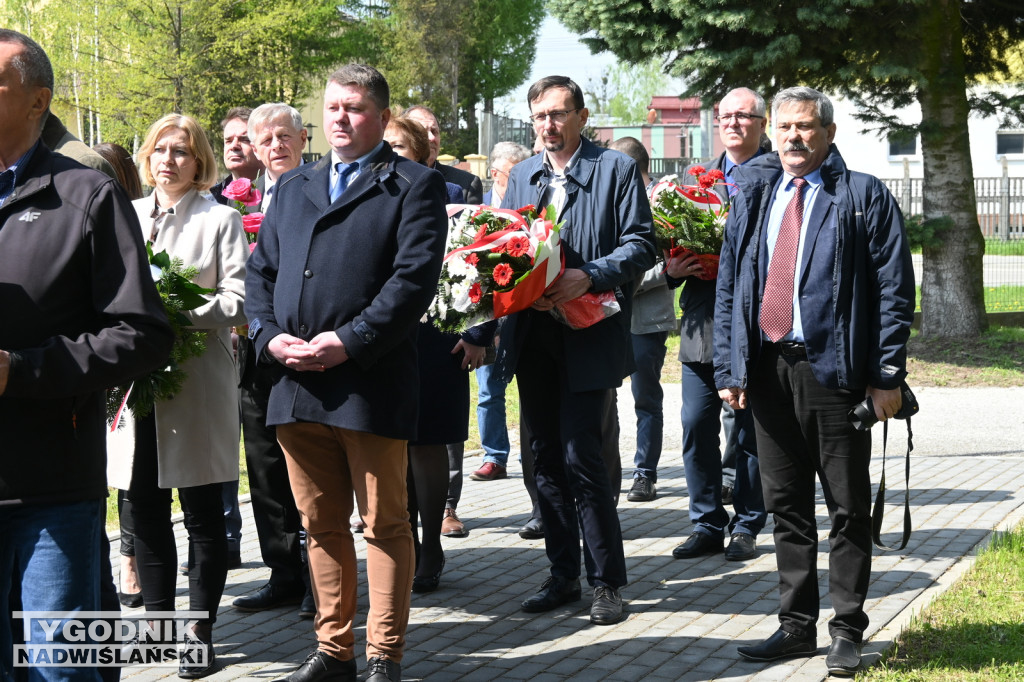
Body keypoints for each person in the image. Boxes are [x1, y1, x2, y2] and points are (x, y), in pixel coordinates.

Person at [244, 63, 447, 682]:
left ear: (383, 118)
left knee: (384, 522)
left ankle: (384, 655)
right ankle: (334, 652)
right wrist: (270, 336)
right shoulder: (296, 185)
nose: (340, 118)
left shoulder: (412, 184)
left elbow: (412, 282)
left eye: (354, 108)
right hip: (296, 385)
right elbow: (261, 275)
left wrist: (350, 341)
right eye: (332, 107)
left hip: (368, 382)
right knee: (319, 523)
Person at [715, 87, 914, 675]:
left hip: (838, 374)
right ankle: (796, 627)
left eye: (805, 127)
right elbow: (732, 285)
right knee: (786, 506)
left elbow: (893, 292)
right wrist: (730, 367)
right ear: (770, 132)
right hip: (768, 370)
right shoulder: (754, 194)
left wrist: (886, 376)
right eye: (784, 127)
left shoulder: (862, 195)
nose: (793, 138)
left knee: (848, 509)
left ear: (828, 132)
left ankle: (847, 629)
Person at [0, 29, 173, 682]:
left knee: (60, 670)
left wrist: (24, 370)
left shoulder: (87, 197)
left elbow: (142, 333)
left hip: (51, 491)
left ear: (37, 100)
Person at [495, 75, 655, 626]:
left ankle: (607, 582)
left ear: (582, 118)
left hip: (589, 335)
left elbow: (640, 244)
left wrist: (587, 275)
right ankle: (562, 573)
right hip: (533, 339)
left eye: (560, 114)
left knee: (582, 458)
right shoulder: (522, 175)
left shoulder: (615, 170)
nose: (549, 126)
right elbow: (504, 245)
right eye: (540, 116)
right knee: (542, 461)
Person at [110, 113, 249, 679]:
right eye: (160, 150)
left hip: (196, 384)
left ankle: (200, 630)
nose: (169, 160)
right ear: (146, 157)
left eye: (182, 151)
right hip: (135, 385)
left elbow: (240, 300)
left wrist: (176, 312)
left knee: (201, 514)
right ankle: (161, 627)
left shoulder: (221, 219)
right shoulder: (128, 215)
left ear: (200, 162)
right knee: (143, 510)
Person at [383, 114, 491, 591]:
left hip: (437, 334)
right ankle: (400, 539)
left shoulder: (450, 198)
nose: (389, 157)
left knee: (427, 442)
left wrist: (479, 335)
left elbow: (486, 264)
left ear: (424, 155)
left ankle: (430, 541)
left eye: (399, 149)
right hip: (382, 335)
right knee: (391, 444)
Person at [666, 87, 770, 562]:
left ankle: (748, 522)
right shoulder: (699, 179)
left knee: (748, 427)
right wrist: (679, 265)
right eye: (725, 115)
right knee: (695, 422)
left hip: (757, 323)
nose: (732, 123)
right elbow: (665, 239)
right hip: (702, 320)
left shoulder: (778, 176)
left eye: (743, 115)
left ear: (761, 123)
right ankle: (707, 521)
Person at [231, 102, 314, 618]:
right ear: (255, 150)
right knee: (262, 466)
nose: (276, 146)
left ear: (303, 139)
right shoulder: (239, 203)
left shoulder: (321, 190)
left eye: (285, 135)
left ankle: (317, 578)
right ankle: (282, 571)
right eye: (266, 140)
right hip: (254, 352)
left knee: (306, 467)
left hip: (304, 349)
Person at [92, 141, 147, 610]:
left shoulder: (132, 220)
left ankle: (129, 560)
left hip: (131, 370)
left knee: (128, 471)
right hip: (87, 373)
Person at [608, 137, 676, 503]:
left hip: (646, 319)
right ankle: (609, 471)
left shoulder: (664, 204)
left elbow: (670, 266)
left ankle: (644, 474)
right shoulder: (612, 198)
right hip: (608, 317)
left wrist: (613, 284)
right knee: (605, 398)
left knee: (645, 397)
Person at [468, 141, 532, 484]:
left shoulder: (531, 213)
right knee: (490, 390)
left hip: (527, 314)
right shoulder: (479, 215)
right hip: (488, 318)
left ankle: (530, 453)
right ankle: (494, 456)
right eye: (514, 173)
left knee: (531, 389)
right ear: (496, 175)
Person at [404, 105, 483, 203]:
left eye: (434, 131)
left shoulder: (466, 184)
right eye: (423, 132)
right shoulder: (387, 179)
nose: (432, 138)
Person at [210, 106, 265, 205]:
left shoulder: (280, 196)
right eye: (228, 141)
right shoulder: (210, 204)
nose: (234, 146)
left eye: (244, 139)